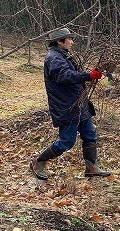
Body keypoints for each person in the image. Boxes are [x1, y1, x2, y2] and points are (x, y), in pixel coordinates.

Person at [30, 27, 110, 181]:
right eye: (69, 39)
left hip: (79, 104)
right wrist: (88, 75)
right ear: (60, 41)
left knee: (89, 135)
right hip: (66, 107)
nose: (72, 42)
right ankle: (38, 162)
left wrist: (90, 73)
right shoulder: (53, 58)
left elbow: (73, 73)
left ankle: (91, 167)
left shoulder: (64, 55)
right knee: (66, 141)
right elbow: (65, 76)